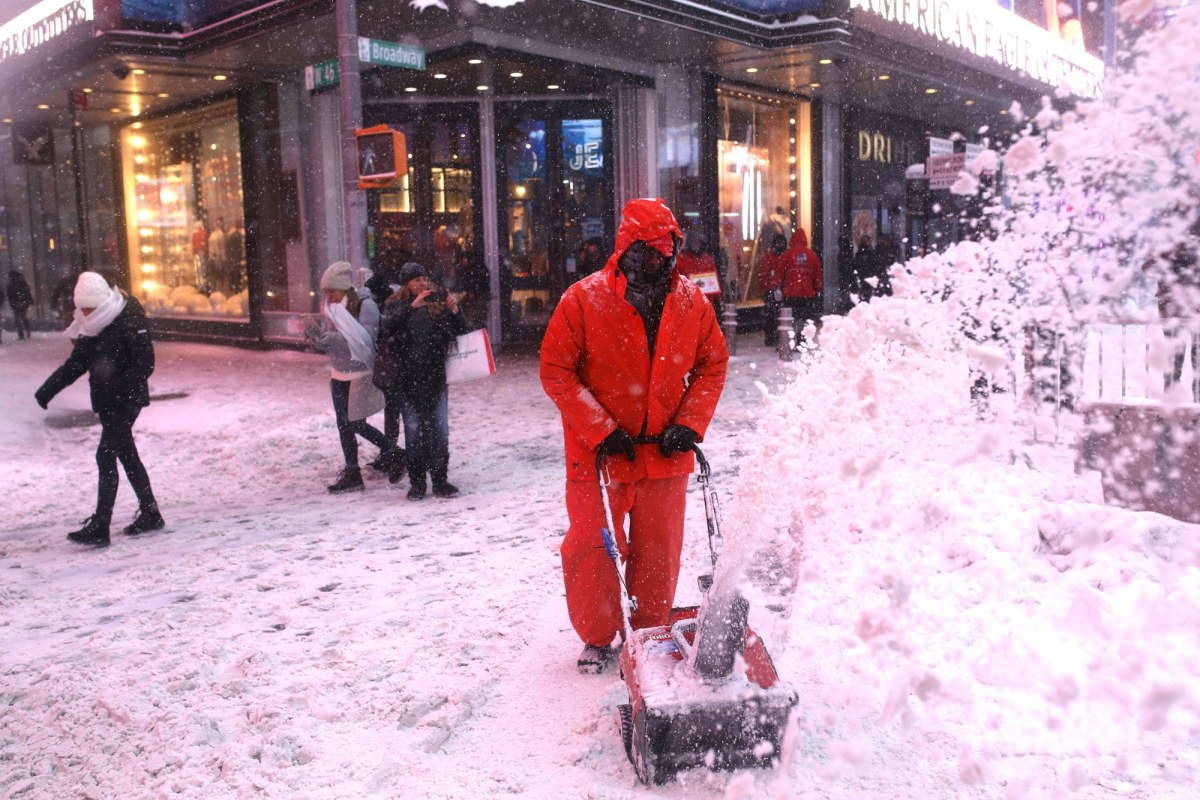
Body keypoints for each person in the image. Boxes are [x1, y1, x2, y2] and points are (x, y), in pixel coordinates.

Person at [540, 197, 729, 674]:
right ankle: (598, 634)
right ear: (626, 249)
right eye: (649, 251)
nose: (660, 261)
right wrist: (600, 429)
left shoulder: (691, 301)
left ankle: (647, 630)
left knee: (659, 551)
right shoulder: (582, 299)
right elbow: (557, 371)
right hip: (599, 457)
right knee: (594, 547)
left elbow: (713, 365)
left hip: (665, 454)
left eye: (667, 252)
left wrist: (688, 423)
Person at [34, 272, 164, 546]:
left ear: (102, 301)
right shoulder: (91, 326)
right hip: (107, 401)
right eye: (83, 309)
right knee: (126, 455)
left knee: (105, 456)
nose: (85, 313)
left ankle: (100, 525)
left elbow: (145, 364)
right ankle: (151, 513)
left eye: (90, 308)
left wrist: (119, 387)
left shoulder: (128, 317)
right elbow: (76, 364)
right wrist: (48, 390)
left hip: (126, 400)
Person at [304, 261, 404, 493]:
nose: (328, 295)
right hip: (339, 372)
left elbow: (366, 341)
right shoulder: (331, 307)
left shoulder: (365, 306)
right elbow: (337, 340)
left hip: (361, 371)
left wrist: (333, 339)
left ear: (344, 287)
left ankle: (395, 452)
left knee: (355, 421)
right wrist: (317, 339)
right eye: (325, 291)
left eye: (332, 290)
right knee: (343, 424)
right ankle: (352, 472)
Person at [379, 261, 471, 500]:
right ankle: (417, 483)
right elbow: (386, 333)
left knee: (439, 429)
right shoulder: (395, 305)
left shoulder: (437, 305)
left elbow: (462, 334)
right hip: (407, 381)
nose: (421, 283)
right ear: (406, 283)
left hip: (436, 378)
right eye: (415, 279)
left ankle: (440, 481)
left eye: (424, 279)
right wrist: (410, 309)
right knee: (414, 430)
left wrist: (454, 311)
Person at [762, 228, 823, 344]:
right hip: (807, 293)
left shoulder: (787, 255)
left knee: (790, 318)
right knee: (805, 317)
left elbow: (779, 273)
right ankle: (802, 340)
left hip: (790, 293)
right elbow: (817, 275)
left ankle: (789, 341)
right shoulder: (811, 255)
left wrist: (773, 287)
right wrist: (817, 289)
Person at [674, 228, 723, 317]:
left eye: (698, 242)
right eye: (693, 242)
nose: (696, 245)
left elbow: (714, 280)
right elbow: (676, 281)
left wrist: (718, 298)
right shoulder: (681, 260)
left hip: (707, 303)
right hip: (689, 304)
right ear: (689, 243)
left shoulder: (707, 259)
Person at [758, 230, 790, 346]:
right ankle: (772, 336)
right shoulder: (771, 257)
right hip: (774, 290)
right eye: (779, 243)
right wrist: (769, 287)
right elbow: (765, 275)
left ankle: (776, 336)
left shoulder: (782, 256)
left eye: (782, 243)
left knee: (777, 314)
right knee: (772, 315)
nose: (780, 245)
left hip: (780, 289)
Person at [7, 270, 33, 340]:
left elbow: (10, 296)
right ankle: (27, 330)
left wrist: (12, 303)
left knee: (18, 318)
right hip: (23, 302)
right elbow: (27, 292)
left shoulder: (11, 285)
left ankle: (21, 334)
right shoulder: (22, 282)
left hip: (16, 303)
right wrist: (30, 300)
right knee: (23, 317)